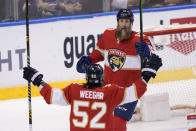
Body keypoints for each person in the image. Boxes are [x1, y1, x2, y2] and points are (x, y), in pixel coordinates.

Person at [23, 54, 162, 131]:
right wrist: (146, 75)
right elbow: (135, 92)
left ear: (86, 77)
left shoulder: (74, 90)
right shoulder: (110, 92)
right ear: (102, 78)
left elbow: (52, 96)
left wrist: (38, 81)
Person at [76, 8, 155, 131]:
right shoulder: (108, 34)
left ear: (131, 23)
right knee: (99, 122)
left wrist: (147, 53)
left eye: (127, 21)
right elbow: (100, 53)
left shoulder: (141, 39)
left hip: (128, 92)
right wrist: (89, 60)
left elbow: (154, 59)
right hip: (106, 88)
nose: (124, 24)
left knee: (118, 123)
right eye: (122, 21)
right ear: (117, 22)